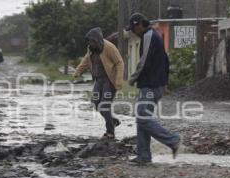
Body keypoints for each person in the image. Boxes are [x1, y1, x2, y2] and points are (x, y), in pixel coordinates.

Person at [125, 13, 181, 164]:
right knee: (142, 118)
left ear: (139, 25)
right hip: (152, 84)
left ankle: (173, 140)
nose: (133, 32)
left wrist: (132, 78)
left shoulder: (149, 35)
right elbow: (165, 59)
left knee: (142, 117)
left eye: (133, 28)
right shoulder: (152, 35)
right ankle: (144, 156)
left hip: (150, 85)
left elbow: (144, 61)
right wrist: (165, 82)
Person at [74, 27, 124, 140]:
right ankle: (113, 121)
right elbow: (86, 60)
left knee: (105, 105)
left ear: (97, 40)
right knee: (96, 103)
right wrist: (78, 71)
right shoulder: (91, 49)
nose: (90, 44)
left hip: (109, 80)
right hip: (98, 80)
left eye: (91, 41)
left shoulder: (109, 47)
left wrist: (119, 80)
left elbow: (119, 62)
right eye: (88, 42)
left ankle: (110, 132)